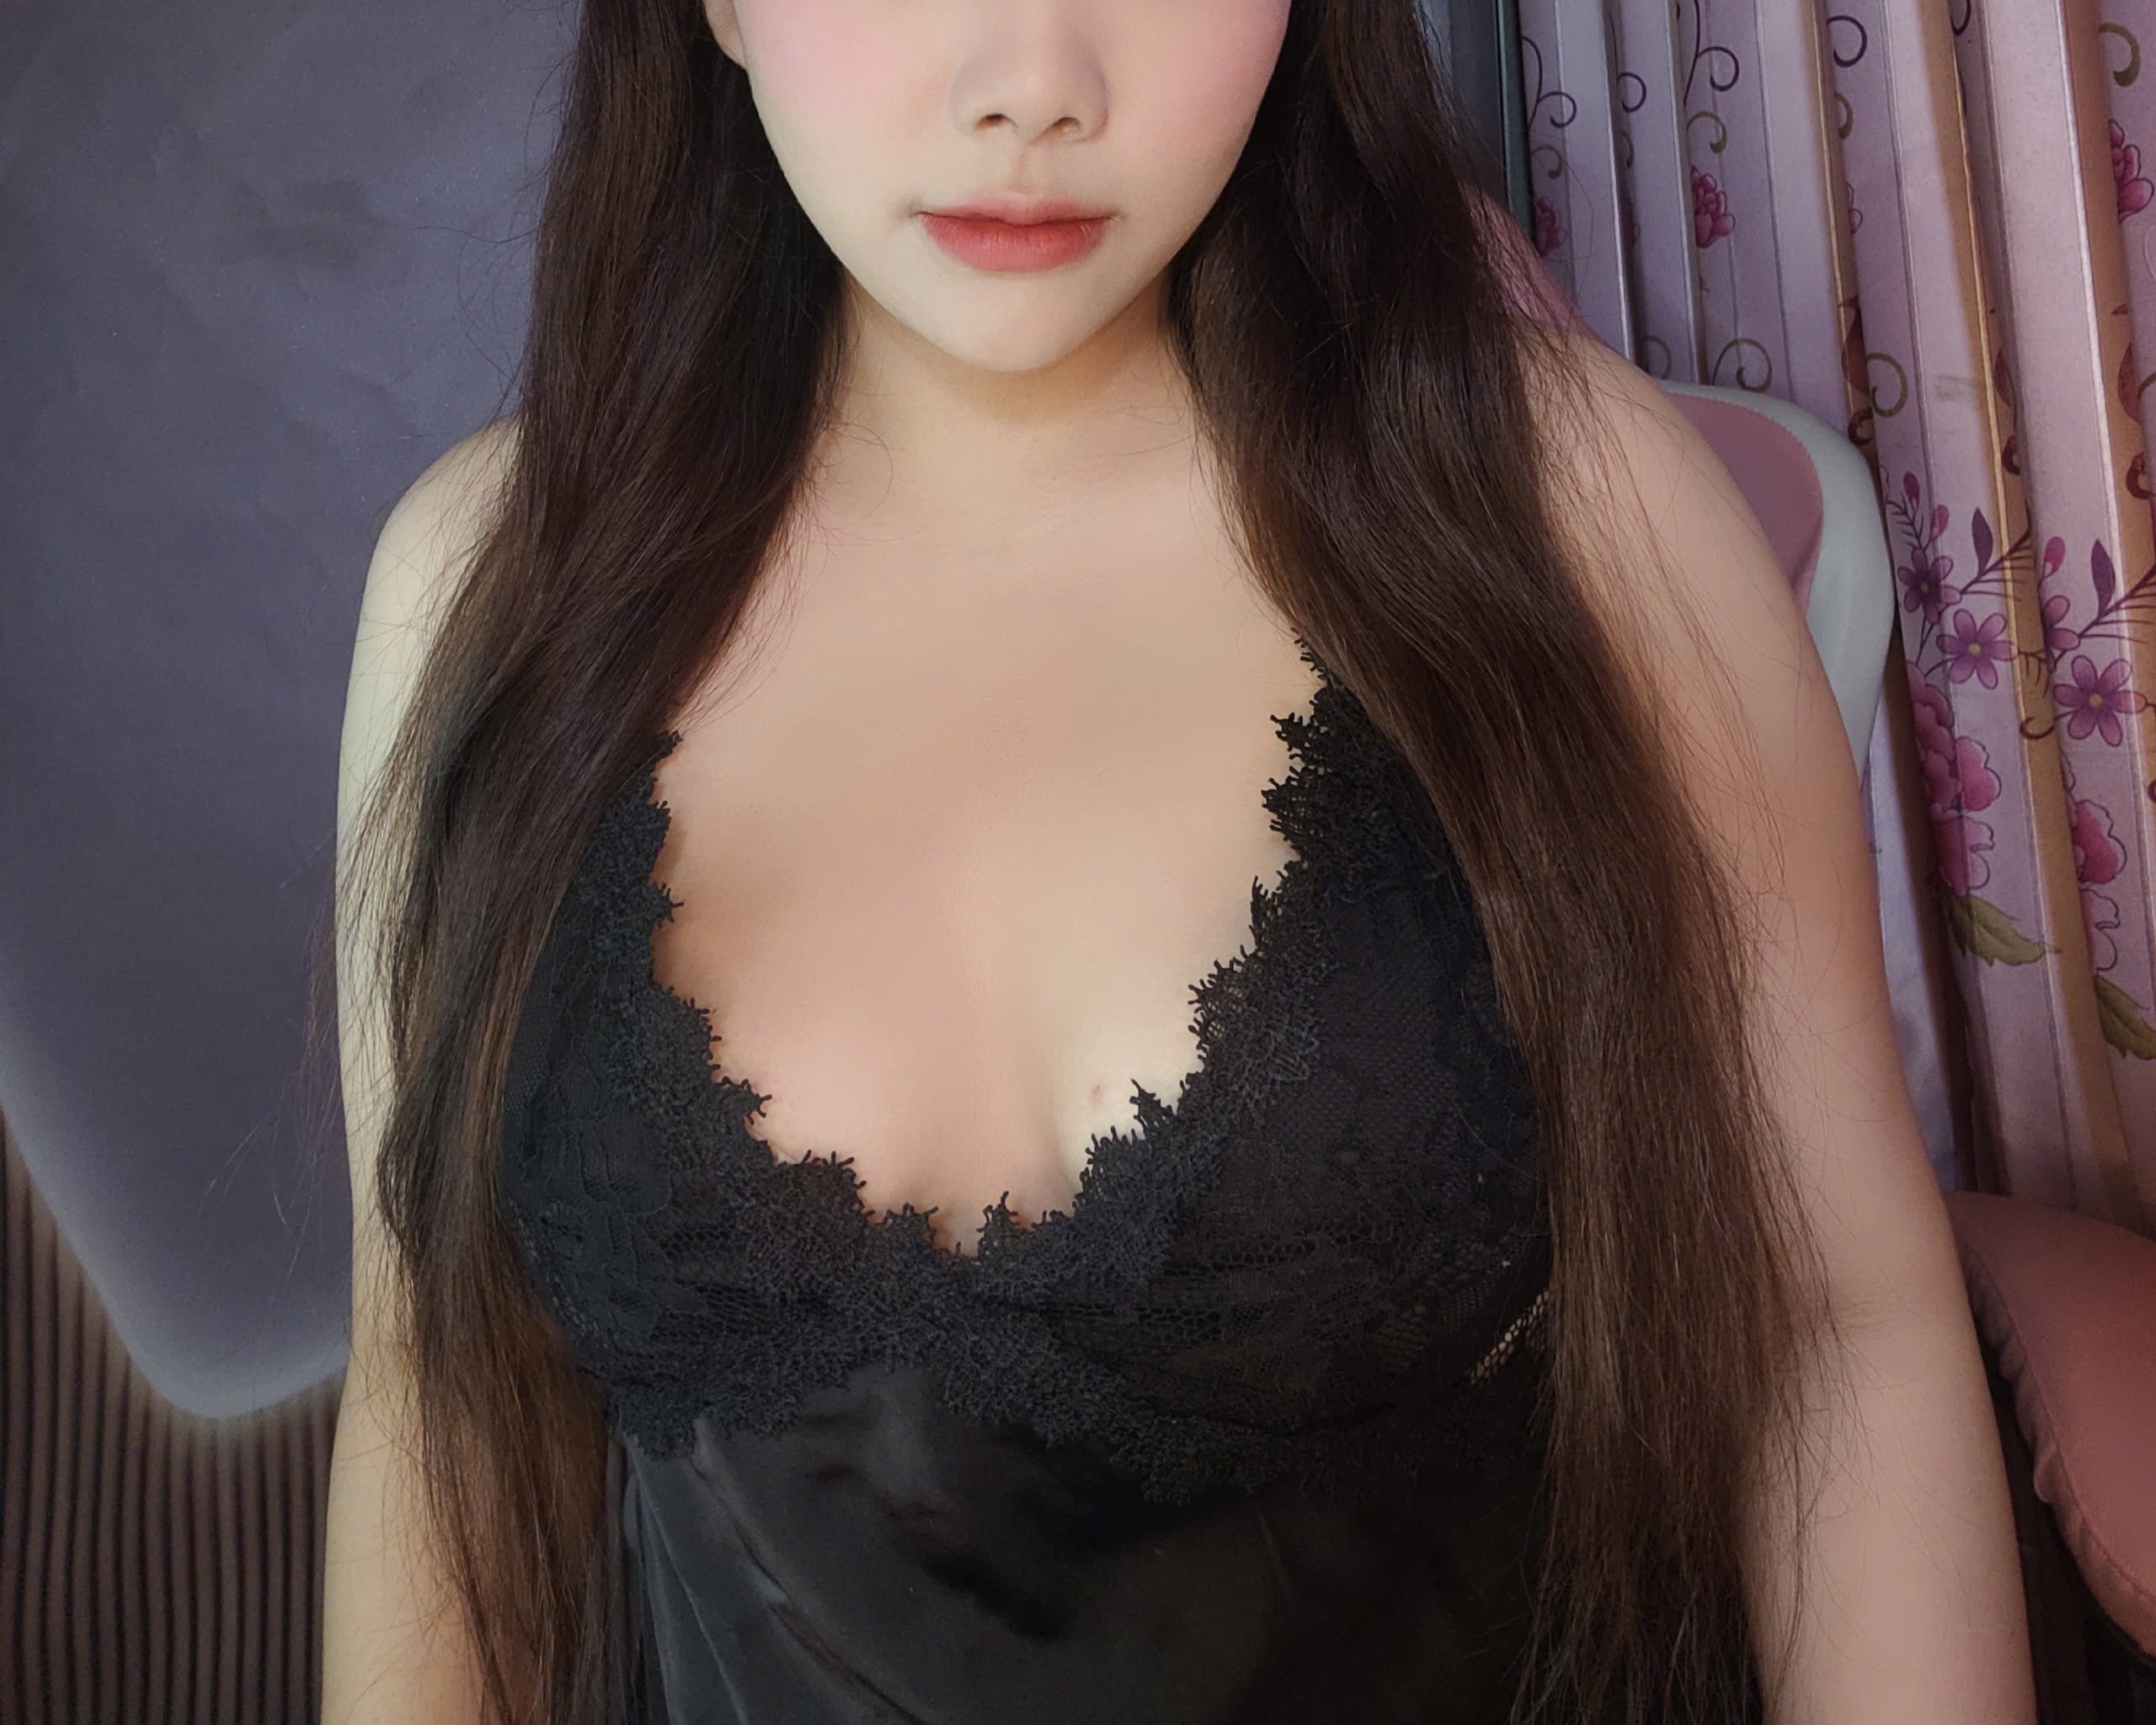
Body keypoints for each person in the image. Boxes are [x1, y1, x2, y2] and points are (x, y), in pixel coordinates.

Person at [320, 3, 2036, 1723]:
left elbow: (1835, 1325)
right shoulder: (489, 592)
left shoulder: (1573, 512)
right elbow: (443, 1396)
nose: (1032, 87)